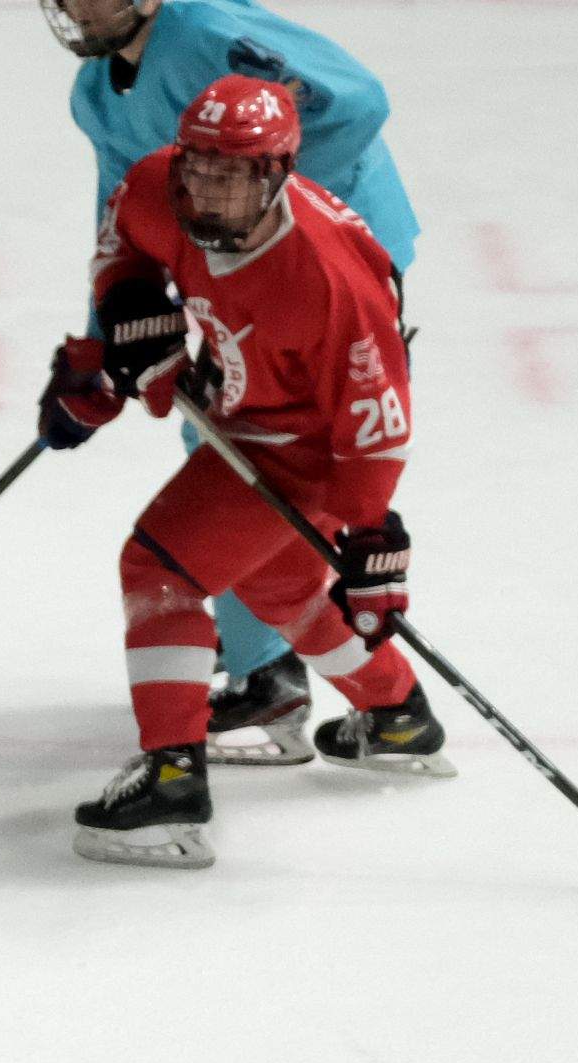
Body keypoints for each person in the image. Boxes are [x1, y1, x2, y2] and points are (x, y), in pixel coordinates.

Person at [37, 74, 432, 870]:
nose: (207, 189)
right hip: (244, 414)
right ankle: (397, 718)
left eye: (232, 173)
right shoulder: (158, 183)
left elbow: (377, 420)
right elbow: (123, 246)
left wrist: (369, 532)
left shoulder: (331, 278)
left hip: (310, 446)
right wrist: (128, 311)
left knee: (160, 567)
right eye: (199, 166)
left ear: (278, 171)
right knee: (281, 589)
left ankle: (173, 786)